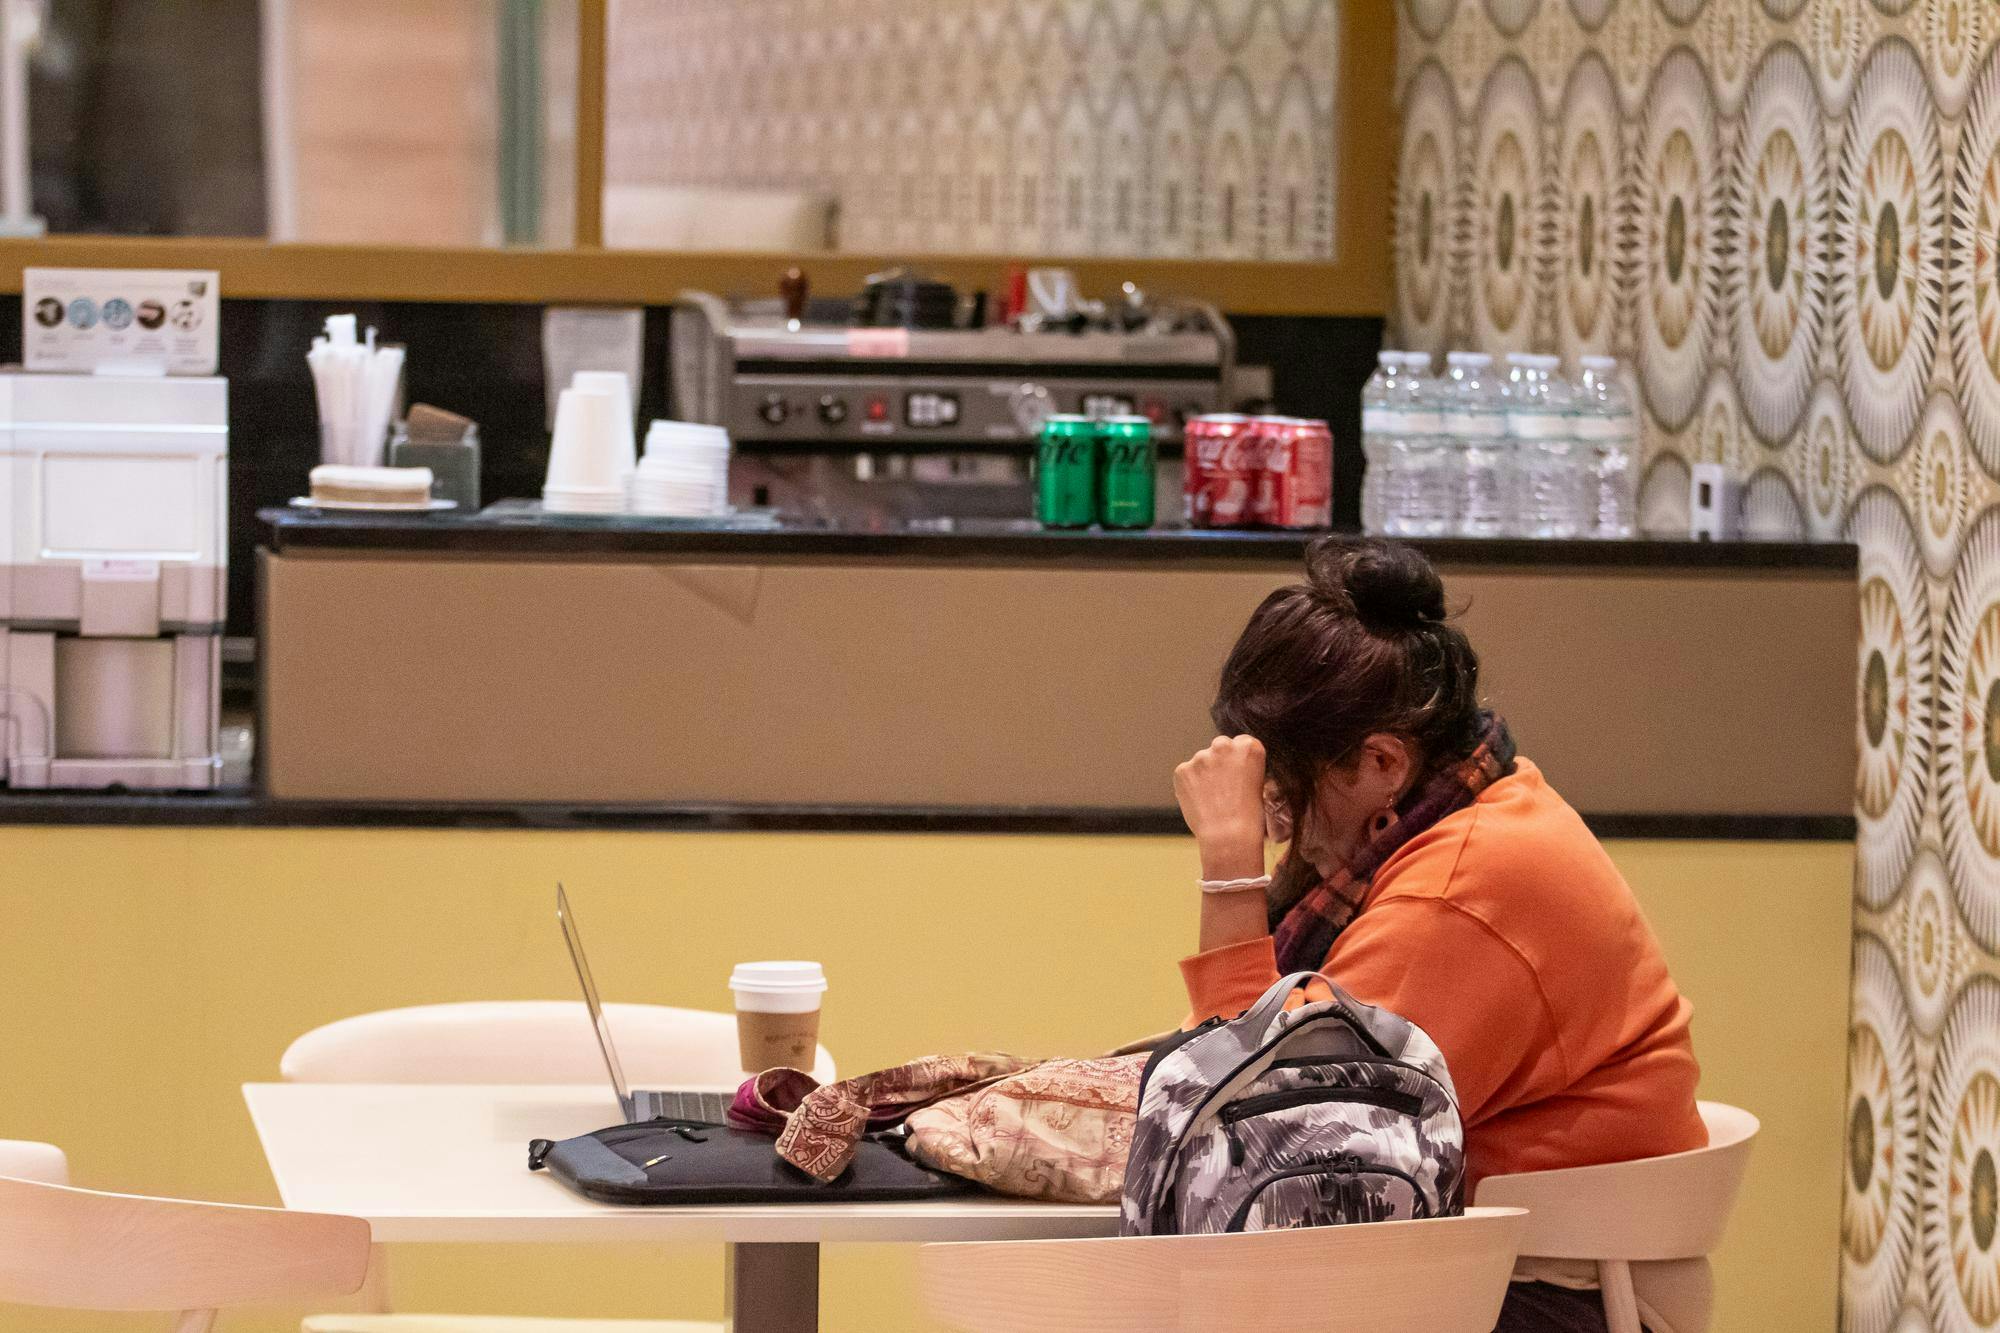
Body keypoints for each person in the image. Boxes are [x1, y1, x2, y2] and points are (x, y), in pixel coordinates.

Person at [1171, 537, 1705, 1333]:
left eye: (1281, 800)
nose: (1282, 836)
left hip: (1559, 1295)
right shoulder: (1483, 808)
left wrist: (1228, 865)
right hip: (1502, 1262)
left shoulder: (1455, 892)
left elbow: (1259, 1146)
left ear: (1383, 761)